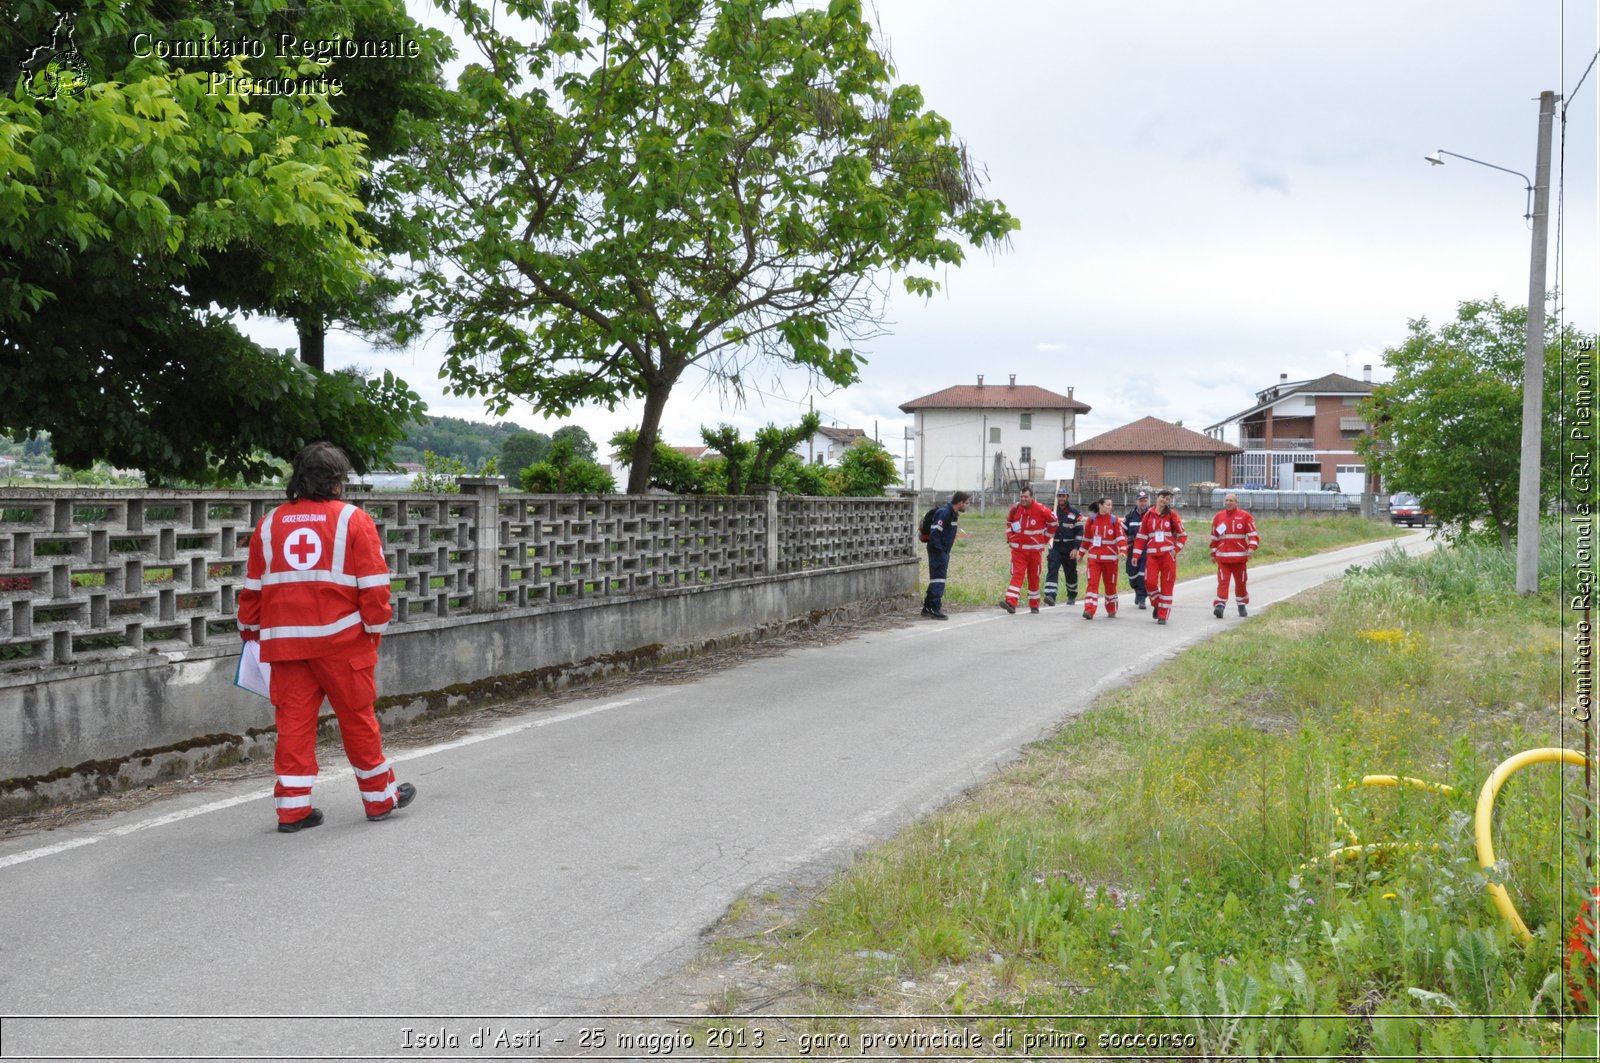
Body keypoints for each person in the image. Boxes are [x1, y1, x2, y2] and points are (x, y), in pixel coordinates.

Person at [238, 442, 416, 834]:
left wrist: (250, 632)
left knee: (294, 727)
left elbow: (253, 589)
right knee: (357, 720)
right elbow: (374, 588)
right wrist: (374, 629)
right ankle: (379, 799)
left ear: (298, 479)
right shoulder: (354, 520)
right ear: (336, 482)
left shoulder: (269, 525)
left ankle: (293, 811)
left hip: (286, 646)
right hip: (343, 643)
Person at [1133, 489, 1187, 624]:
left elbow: (1183, 535)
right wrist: (1136, 554)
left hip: (1168, 556)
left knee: (1167, 586)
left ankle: (1163, 615)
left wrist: (1176, 550)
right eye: (1162, 497)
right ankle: (1157, 604)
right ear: (1157, 498)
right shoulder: (1148, 515)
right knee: (1149, 582)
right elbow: (1141, 537)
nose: (1164, 500)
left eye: (1167, 499)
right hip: (1152, 555)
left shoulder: (1172, 515)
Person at [1002, 486, 1057, 614]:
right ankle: (1010, 602)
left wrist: (1045, 539)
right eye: (1021, 496)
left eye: (1026, 497)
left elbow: (1054, 523)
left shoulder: (1042, 510)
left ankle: (1034, 604)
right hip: (1018, 551)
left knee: (1034, 577)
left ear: (1032, 497)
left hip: (1035, 552)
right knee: (1017, 574)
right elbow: (1009, 523)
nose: (1023, 499)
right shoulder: (1015, 509)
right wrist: (1010, 537)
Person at [921, 491, 971, 620]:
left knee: (937, 579)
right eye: (967, 503)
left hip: (942, 551)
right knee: (939, 579)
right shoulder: (945, 513)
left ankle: (927, 607)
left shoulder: (953, 514)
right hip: (937, 551)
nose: (968, 505)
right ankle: (934, 607)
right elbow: (935, 534)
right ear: (960, 502)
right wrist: (941, 551)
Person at [1210, 492, 1260, 618]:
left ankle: (1241, 605)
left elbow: (1253, 534)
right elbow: (1214, 537)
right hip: (1223, 558)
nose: (1228, 503)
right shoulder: (1218, 517)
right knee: (1223, 582)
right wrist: (1213, 553)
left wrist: (1252, 547)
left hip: (1239, 558)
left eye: (1231, 500)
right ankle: (1220, 606)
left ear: (1236, 502)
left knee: (1241, 583)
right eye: (1226, 500)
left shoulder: (1245, 516)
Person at [1079, 497, 1127, 619]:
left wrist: (1123, 551)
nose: (1110, 507)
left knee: (1110, 585)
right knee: (1092, 584)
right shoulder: (1091, 520)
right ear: (1100, 505)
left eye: (1111, 505)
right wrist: (1081, 554)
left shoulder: (1114, 520)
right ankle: (1089, 610)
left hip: (1110, 560)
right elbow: (1086, 539)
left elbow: (1121, 538)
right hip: (1094, 559)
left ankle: (1111, 609)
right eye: (1107, 505)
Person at [1042, 487, 1083, 607]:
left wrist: (1076, 548)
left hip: (1069, 547)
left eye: (1063, 496)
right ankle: (1050, 596)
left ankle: (1071, 595)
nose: (1061, 498)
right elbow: (1045, 527)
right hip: (1055, 546)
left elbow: (1080, 532)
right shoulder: (1051, 513)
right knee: (1052, 570)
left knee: (1070, 573)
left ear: (1067, 497)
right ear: (1057, 497)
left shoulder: (1076, 513)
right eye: (1059, 496)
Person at [1124, 490, 1153, 608]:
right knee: (1132, 575)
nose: (1143, 503)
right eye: (1141, 500)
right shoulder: (1130, 516)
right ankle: (1136, 590)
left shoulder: (1151, 515)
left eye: (1145, 500)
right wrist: (1127, 539)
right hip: (1132, 549)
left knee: (1143, 574)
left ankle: (1142, 598)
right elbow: (1122, 532)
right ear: (1137, 501)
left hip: (1146, 549)